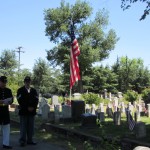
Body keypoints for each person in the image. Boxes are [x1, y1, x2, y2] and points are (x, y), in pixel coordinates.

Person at [17, 76, 39, 147]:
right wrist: (27, 107)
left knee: (31, 127)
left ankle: (30, 140)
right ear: (24, 82)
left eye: (28, 81)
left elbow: (36, 100)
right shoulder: (20, 90)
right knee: (23, 127)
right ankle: (22, 141)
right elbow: (20, 100)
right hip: (23, 111)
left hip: (32, 111)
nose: (27, 83)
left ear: (30, 82)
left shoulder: (34, 90)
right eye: (26, 81)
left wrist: (33, 107)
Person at [0, 76, 13, 149]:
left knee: (6, 128)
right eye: (2, 82)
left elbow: (11, 100)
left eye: (5, 82)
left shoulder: (8, 90)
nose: (4, 84)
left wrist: (10, 101)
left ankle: (6, 144)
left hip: (5, 111)